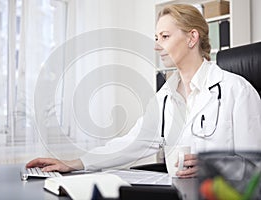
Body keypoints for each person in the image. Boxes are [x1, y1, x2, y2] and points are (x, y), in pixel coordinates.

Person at [26, 4, 261, 178]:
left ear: (192, 38)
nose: (157, 45)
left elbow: (255, 166)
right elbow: (131, 142)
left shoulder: (236, 91)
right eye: (157, 37)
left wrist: (214, 167)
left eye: (165, 37)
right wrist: (74, 163)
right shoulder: (165, 97)